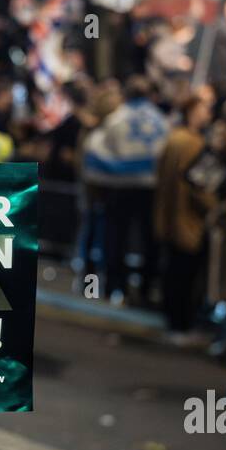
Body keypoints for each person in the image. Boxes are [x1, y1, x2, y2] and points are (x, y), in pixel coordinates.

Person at [82, 76, 168, 304]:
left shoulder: (116, 119)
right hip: (150, 189)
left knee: (115, 237)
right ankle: (146, 289)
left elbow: (94, 151)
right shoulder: (160, 120)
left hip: (117, 188)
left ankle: (114, 286)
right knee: (149, 240)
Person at [154, 92, 214, 338]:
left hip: (169, 216)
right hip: (188, 219)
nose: (208, 114)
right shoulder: (194, 143)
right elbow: (198, 185)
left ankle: (172, 320)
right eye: (204, 109)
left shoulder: (173, 138)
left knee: (173, 271)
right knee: (185, 275)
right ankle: (181, 324)